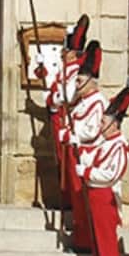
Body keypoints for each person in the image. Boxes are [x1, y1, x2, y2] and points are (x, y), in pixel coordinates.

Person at [76, 87, 129, 256]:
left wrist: (87, 171)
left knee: (106, 242)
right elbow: (92, 158)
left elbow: (111, 173)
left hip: (105, 196)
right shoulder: (105, 144)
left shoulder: (118, 146)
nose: (100, 126)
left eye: (103, 123)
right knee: (97, 242)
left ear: (114, 124)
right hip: (94, 195)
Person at [35, 15, 88, 211]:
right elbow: (53, 87)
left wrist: (53, 98)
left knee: (68, 165)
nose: (62, 53)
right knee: (61, 163)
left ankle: (71, 205)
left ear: (73, 53)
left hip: (66, 121)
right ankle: (66, 202)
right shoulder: (65, 70)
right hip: (58, 120)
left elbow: (67, 96)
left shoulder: (76, 72)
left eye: (66, 51)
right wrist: (42, 69)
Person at [59, 41, 107, 253]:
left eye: (79, 80)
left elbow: (93, 131)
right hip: (76, 152)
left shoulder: (97, 102)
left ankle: (85, 241)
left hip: (86, 154)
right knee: (77, 199)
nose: (76, 84)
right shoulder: (82, 101)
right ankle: (80, 238)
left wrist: (73, 134)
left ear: (90, 81)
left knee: (83, 199)